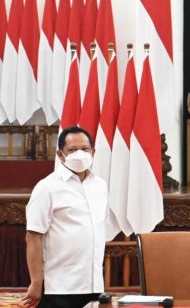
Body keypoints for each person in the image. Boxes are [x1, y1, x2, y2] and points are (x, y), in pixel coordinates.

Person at [22, 126, 109, 308]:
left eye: (85, 149)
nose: (80, 154)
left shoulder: (100, 185)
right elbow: (33, 237)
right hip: (60, 288)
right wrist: (36, 282)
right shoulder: (47, 187)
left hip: (94, 284)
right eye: (72, 150)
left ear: (93, 152)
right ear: (61, 155)